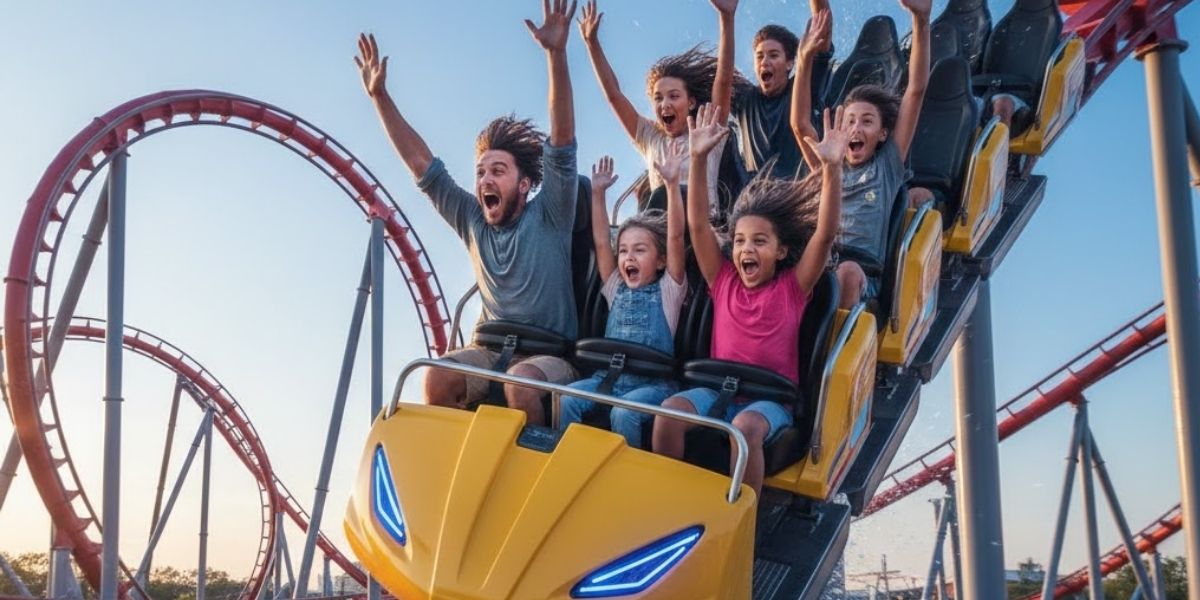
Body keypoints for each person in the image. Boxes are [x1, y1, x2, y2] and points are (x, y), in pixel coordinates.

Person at [353, 0, 580, 427]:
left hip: (548, 356)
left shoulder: (550, 213)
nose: (485, 181)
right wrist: (380, 96)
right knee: (435, 377)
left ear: (525, 183)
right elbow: (423, 166)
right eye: (480, 173)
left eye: (498, 171)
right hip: (490, 348)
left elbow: (563, 140)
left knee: (521, 385)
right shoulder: (473, 219)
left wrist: (556, 55)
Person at [652, 103, 848, 497]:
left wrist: (831, 170)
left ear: (779, 251)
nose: (746, 249)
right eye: (740, 241)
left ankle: (745, 519)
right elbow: (697, 225)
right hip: (715, 389)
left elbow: (824, 236)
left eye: (759, 241)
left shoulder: (794, 288)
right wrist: (698, 157)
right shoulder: (721, 279)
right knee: (667, 415)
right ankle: (664, 498)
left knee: (743, 432)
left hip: (768, 400)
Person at [792, 0, 933, 309]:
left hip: (863, 276)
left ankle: (836, 355)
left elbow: (915, 91)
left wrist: (921, 21)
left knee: (847, 272)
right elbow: (801, 124)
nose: (856, 128)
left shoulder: (887, 166)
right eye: (849, 121)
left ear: (883, 133)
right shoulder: (829, 167)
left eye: (867, 122)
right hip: (819, 267)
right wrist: (803, 60)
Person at [557, 152, 687, 447]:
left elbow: (677, 238)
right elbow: (602, 240)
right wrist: (598, 193)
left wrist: (671, 184)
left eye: (640, 250)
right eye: (625, 250)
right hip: (609, 378)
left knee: (624, 413)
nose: (628, 256)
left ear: (661, 261)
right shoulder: (616, 286)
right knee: (566, 400)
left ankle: (625, 478)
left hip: (651, 385)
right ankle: (567, 460)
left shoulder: (669, 291)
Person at [576, 0, 749, 215]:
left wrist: (727, 18)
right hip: (660, 230)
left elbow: (723, 80)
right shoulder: (651, 139)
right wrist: (592, 44)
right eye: (658, 98)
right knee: (654, 203)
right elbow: (614, 95)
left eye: (674, 96)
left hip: (700, 227)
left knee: (663, 197)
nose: (665, 104)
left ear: (691, 102)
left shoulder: (706, 130)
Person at [731, 0, 834, 180]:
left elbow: (822, 33)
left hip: (801, 195)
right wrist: (726, 18)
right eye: (759, 56)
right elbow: (723, 79)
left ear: (790, 63)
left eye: (773, 55)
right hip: (757, 202)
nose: (765, 62)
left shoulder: (803, 85)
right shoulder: (746, 99)